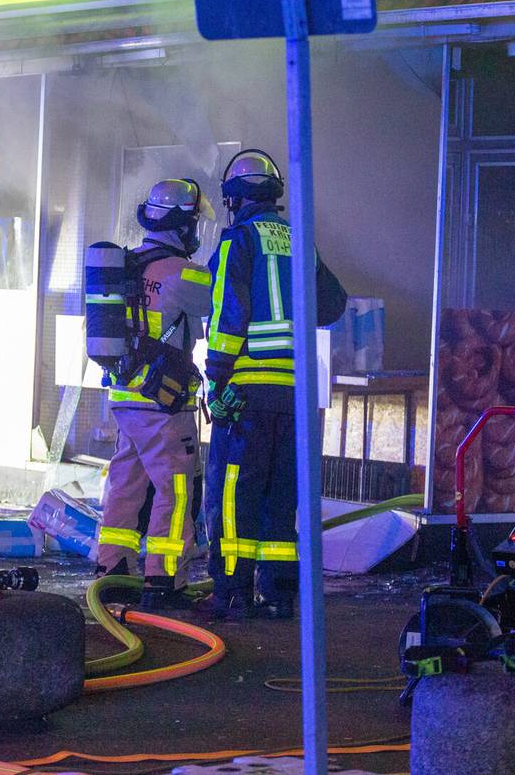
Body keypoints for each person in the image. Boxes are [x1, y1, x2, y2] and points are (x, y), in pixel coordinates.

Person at [195, 150, 347, 620]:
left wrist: (215, 378)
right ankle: (280, 597)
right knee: (282, 500)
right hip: (295, 398)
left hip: (246, 394)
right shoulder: (303, 243)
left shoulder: (237, 241)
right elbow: (333, 305)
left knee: (234, 496)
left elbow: (228, 314)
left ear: (237, 199)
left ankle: (232, 596)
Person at [95, 178, 214, 610]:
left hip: (126, 397)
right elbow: (224, 305)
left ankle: (113, 569)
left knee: (126, 484)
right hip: (165, 404)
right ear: (184, 226)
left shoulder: (127, 265)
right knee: (176, 489)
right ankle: (165, 580)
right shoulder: (185, 273)